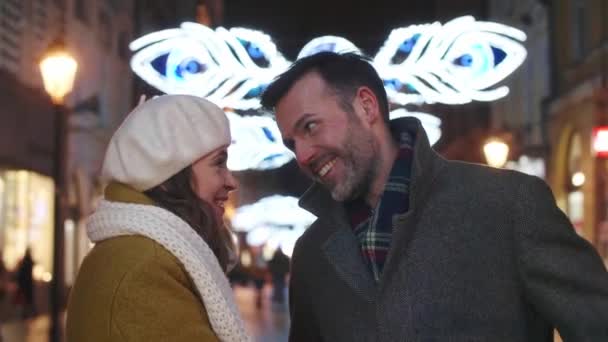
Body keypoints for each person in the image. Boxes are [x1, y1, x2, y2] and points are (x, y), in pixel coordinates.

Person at [260, 52, 608, 341]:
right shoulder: (312, 253)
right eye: (292, 144)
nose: (303, 155)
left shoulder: (507, 205)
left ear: (366, 107)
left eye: (310, 127)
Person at [66, 95, 250, 342]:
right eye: (219, 163)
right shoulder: (144, 269)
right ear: (170, 170)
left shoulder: (145, 254)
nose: (231, 181)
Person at [15, 248, 34, 318]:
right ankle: (27, 315)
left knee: (25, 301)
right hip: (27, 284)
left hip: (25, 284)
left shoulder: (24, 261)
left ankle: (26, 315)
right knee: (27, 301)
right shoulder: (28, 261)